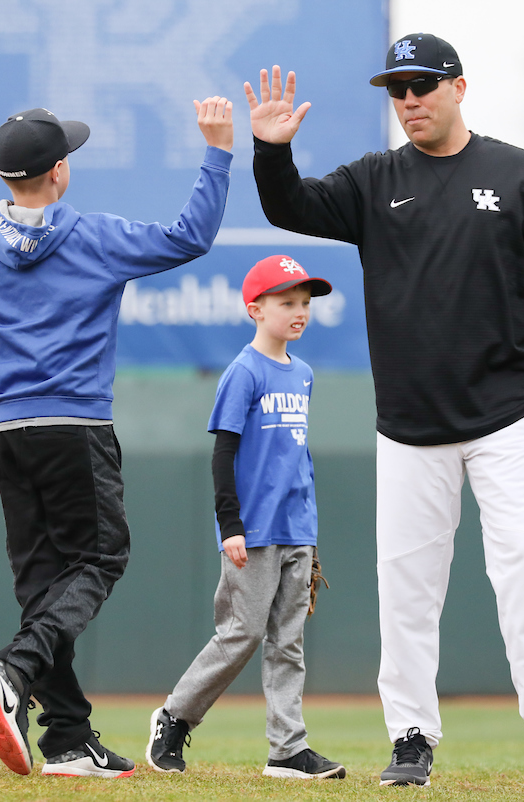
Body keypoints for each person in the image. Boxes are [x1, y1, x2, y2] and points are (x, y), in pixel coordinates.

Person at [244, 34, 524, 788]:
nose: (409, 99)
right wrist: (271, 151)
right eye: (397, 89)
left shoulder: (518, 175)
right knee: (409, 589)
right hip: (410, 426)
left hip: (506, 414)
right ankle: (411, 739)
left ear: (459, 87)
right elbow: (290, 205)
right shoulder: (375, 181)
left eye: (423, 84)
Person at [0, 98, 234, 778]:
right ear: (59, 173)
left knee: (44, 580)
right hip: (77, 427)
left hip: (10, 433)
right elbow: (190, 236)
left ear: (7, 177)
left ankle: (68, 738)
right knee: (99, 560)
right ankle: (14, 671)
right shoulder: (94, 236)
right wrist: (216, 152)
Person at [144, 255, 346, 781]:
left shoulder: (301, 374)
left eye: (305, 303)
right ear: (255, 309)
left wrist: (309, 530)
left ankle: (288, 750)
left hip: (296, 528)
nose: (299, 312)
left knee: (288, 642)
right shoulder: (243, 371)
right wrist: (229, 525)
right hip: (251, 532)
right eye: (287, 303)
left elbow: (294, 456)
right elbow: (223, 453)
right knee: (241, 633)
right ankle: (174, 716)